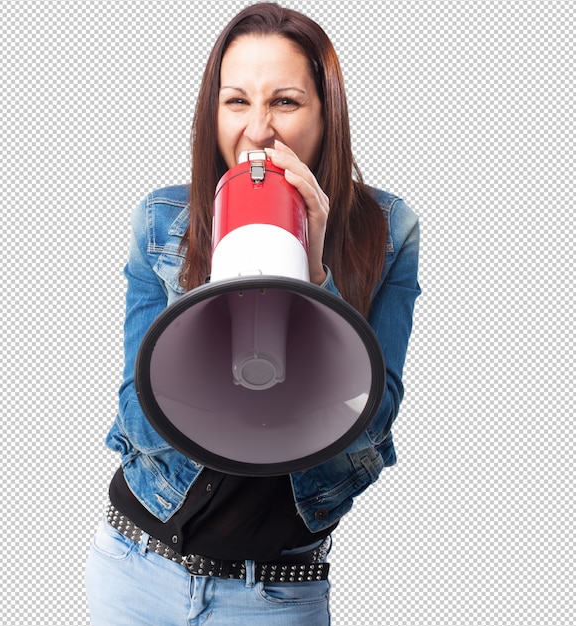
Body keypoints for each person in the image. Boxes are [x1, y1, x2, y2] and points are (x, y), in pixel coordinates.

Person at [84, 3, 420, 625]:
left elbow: (367, 437)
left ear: (327, 116)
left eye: (286, 102)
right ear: (212, 113)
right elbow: (139, 414)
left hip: (273, 597)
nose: (259, 130)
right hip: (135, 571)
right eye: (236, 101)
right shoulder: (163, 221)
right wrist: (217, 297)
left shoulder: (387, 231)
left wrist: (315, 281)